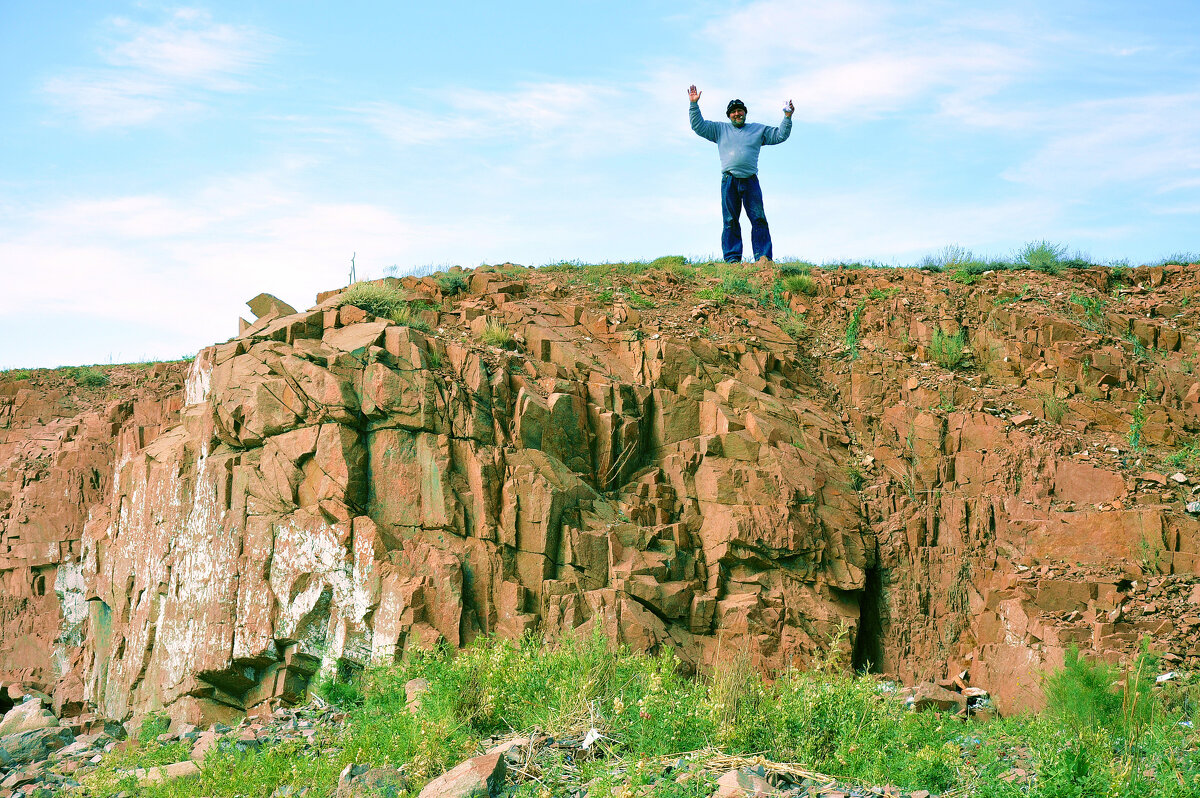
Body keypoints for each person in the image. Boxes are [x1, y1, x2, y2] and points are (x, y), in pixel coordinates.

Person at [688, 85, 793, 263]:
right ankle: (732, 259)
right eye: (733, 112)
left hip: (750, 180)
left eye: (740, 111)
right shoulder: (719, 130)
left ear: (745, 113)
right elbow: (698, 126)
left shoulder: (758, 130)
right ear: (729, 116)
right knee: (730, 220)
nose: (737, 114)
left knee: (758, 219)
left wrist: (787, 117)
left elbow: (780, 135)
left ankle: (763, 258)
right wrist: (693, 105)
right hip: (729, 180)